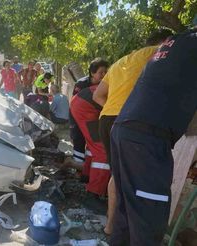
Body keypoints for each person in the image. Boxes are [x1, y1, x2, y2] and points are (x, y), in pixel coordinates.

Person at [109, 23, 197, 245]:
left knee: (127, 215)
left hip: (126, 129)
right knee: (149, 219)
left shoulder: (179, 40)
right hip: (146, 139)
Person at [92, 28, 173, 235]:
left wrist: (116, 113)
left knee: (117, 175)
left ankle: (111, 226)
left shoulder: (121, 62)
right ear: (165, 42)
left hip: (108, 119)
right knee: (134, 178)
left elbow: (98, 96)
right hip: (131, 121)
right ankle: (132, 230)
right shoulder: (159, 52)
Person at [70, 84, 111, 206]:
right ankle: (93, 194)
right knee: (103, 152)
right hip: (86, 107)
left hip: (81, 103)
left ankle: (87, 176)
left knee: (94, 145)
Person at [70, 58, 109, 166]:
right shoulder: (81, 84)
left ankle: (86, 169)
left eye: (106, 72)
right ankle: (77, 168)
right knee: (79, 140)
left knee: (93, 142)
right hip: (79, 116)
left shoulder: (105, 84)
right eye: (101, 72)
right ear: (92, 73)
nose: (104, 74)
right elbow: (74, 105)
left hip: (94, 117)